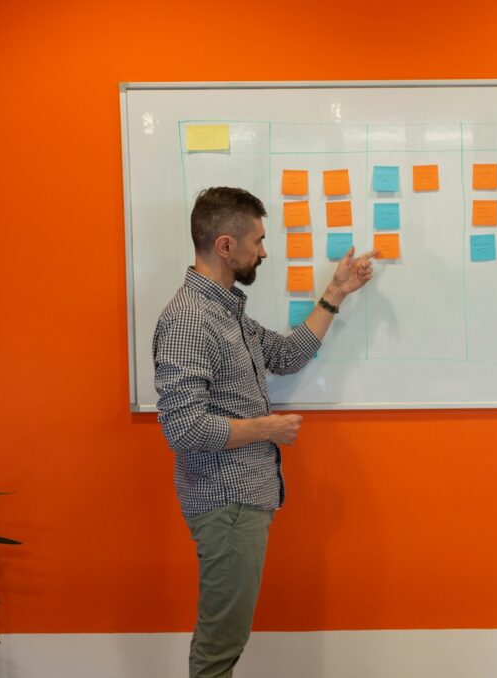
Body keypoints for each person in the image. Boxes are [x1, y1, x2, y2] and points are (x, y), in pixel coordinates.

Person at [152, 186, 376, 678]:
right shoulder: (190, 319)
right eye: (257, 240)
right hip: (225, 502)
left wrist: (335, 292)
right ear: (226, 246)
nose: (265, 251)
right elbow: (183, 427)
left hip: (243, 500)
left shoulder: (227, 311)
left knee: (226, 639)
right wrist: (264, 428)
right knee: (220, 645)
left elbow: (287, 355)